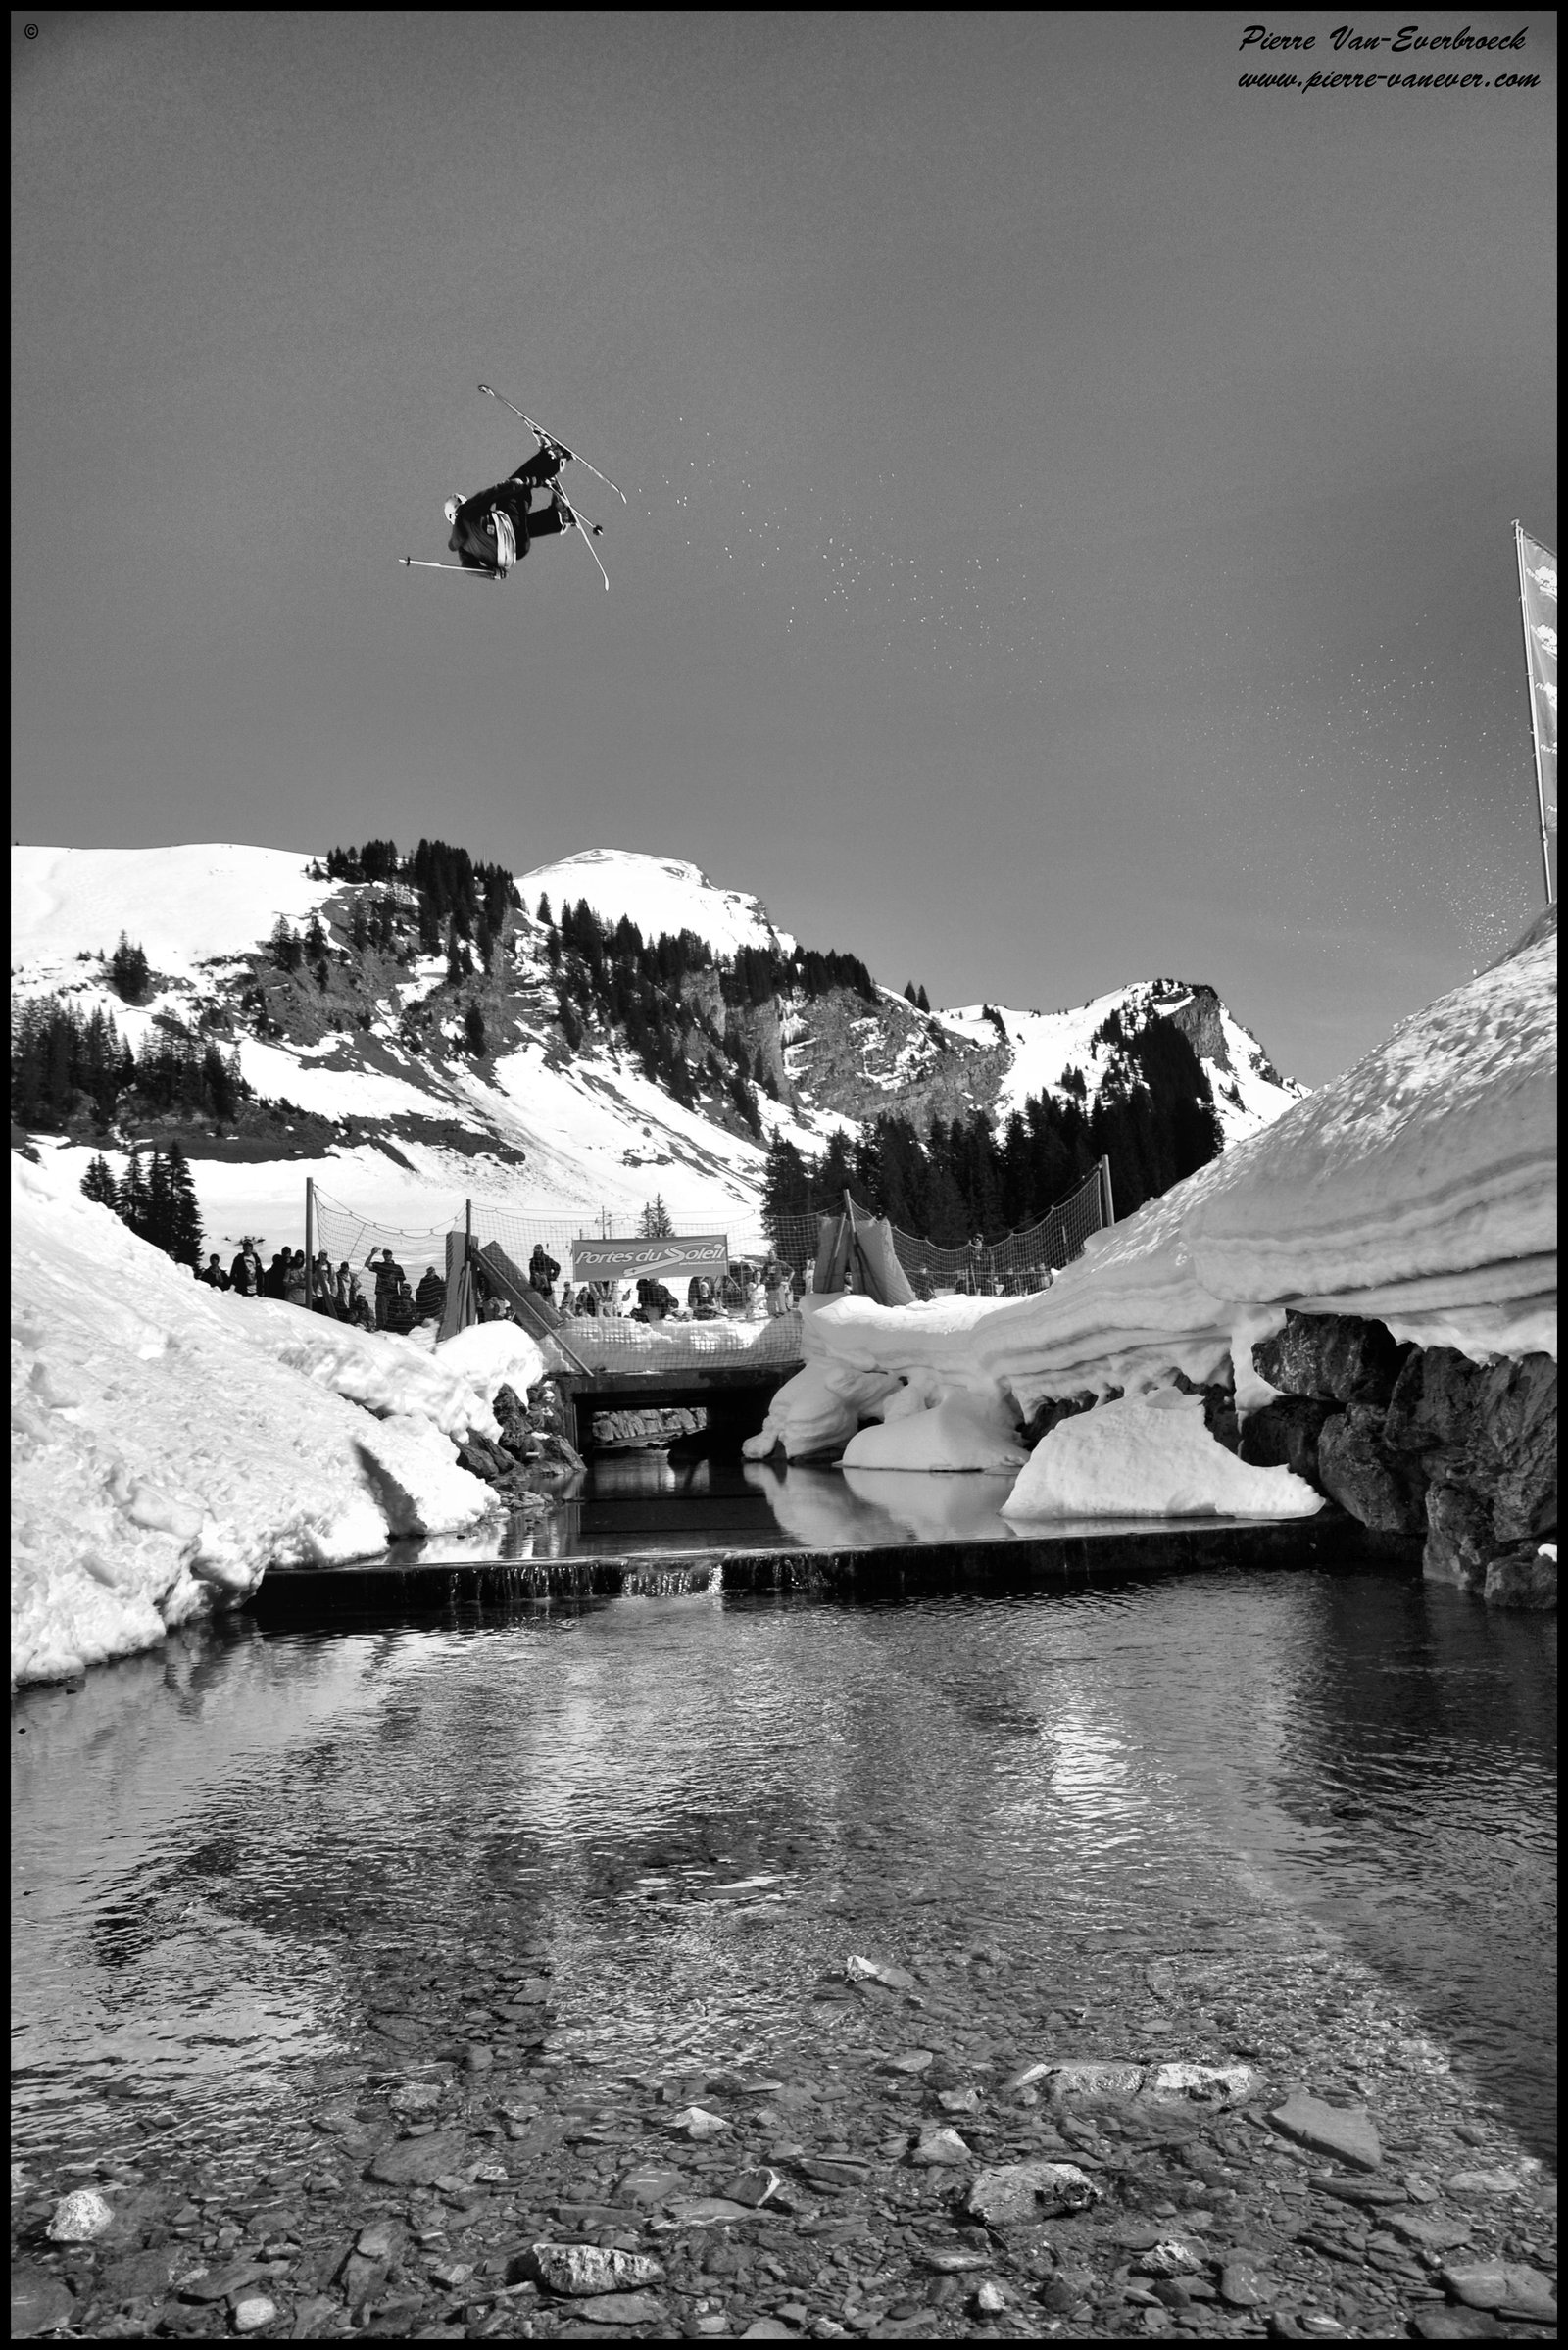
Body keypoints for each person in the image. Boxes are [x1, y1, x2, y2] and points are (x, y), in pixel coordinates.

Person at [444, 440, 593, 578]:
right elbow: (495, 492)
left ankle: (559, 518)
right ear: (462, 502)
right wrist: (531, 481)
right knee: (508, 493)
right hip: (508, 536)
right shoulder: (468, 510)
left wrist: (492, 573)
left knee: (508, 522)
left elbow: (468, 568)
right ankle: (552, 458)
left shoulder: (462, 548)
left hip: (518, 550)